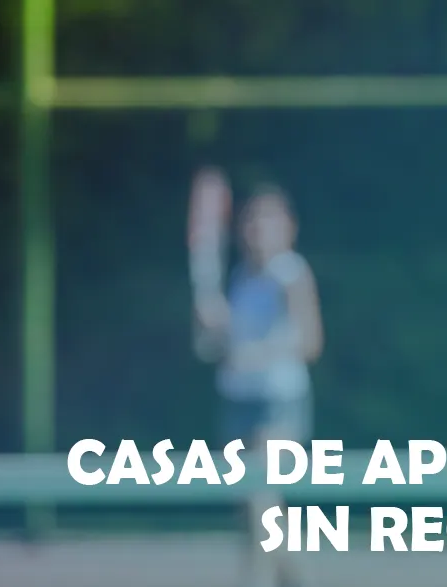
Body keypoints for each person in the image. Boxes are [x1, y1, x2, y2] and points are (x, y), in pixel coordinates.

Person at [192, 179, 324, 587]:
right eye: (252, 220)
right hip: (237, 402)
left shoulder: (292, 274)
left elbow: (310, 341)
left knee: (262, 501)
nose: (258, 228)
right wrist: (211, 328)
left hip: (279, 403)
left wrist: (258, 352)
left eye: (268, 219)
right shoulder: (239, 279)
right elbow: (216, 347)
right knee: (254, 515)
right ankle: (297, 581)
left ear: (289, 227)